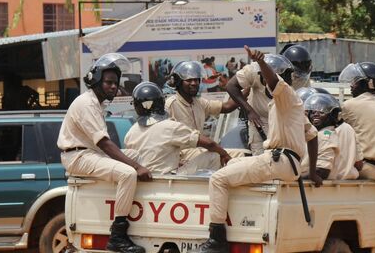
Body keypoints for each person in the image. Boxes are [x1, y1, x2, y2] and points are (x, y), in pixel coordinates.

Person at [199, 47, 320, 253]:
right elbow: (312, 135)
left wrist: (261, 62)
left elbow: (274, 82)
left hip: (278, 159)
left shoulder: (285, 94)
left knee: (218, 179)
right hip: (286, 162)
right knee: (233, 163)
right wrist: (313, 171)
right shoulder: (289, 103)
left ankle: (217, 238)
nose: (265, 83)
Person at [57, 53, 150, 253]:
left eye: (116, 83)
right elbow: (106, 144)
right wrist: (137, 167)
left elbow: (104, 146)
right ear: (96, 80)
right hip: (78, 156)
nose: (114, 87)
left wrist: (135, 162)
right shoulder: (87, 103)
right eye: (108, 82)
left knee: (135, 155)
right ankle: (117, 236)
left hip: (88, 153)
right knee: (128, 173)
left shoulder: (96, 102)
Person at [125, 82, 231, 175]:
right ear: (161, 102)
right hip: (169, 178)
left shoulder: (130, 132)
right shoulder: (170, 126)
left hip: (147, 178)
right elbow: (210, 144)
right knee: (214, 155)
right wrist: (224, 154)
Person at [166, 61, 246, 161]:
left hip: (197, 152)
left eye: (196, 80)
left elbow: (227, 107)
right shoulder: (170, 105)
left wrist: (249, 87)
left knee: (239, 154)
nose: (194, 83)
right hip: (180, 156)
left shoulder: (199, 102)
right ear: (178, 82)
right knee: (219, 156)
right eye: (189, 80)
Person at [301, 93, 362, 180]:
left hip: (328, 184)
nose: (316, 115)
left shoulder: (323, 135)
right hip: (348, 180)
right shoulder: (348, 128)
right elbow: (359, 164)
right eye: (313, 112)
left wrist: (297, 178)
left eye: (322, 112)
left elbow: (322, 171)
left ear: (332, 115)